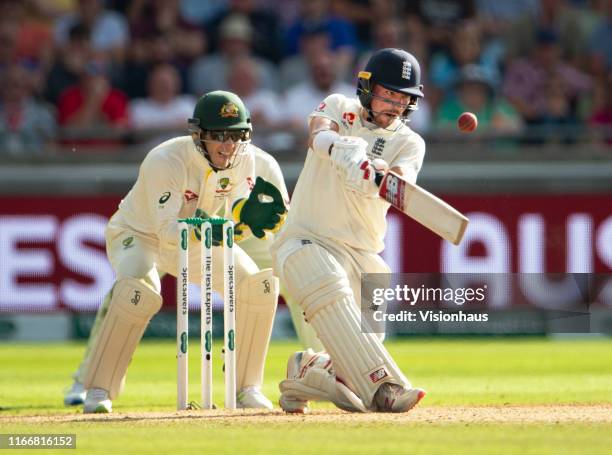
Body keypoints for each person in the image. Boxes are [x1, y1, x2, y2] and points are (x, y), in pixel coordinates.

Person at [64, 90, 287, 413]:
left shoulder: (252, 161)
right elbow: (168, 232)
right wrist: (222, 224)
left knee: (257, 286)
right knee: (137, 290)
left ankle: (246, 386)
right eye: (219, 136)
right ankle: (99, 389)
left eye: (237, 136)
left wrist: (249, 223)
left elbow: (253, 218)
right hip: (141, 235)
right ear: (199, 136)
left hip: (199, 240)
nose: (228, 146)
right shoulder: (165, 160)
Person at [270, 48, 427, 413]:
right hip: (304, 241)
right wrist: (339, 147)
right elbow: (316, 132)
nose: (395, 104)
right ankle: (387, 389)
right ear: (369, 89)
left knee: (348, 374)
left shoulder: (410, 143)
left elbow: (402, 184)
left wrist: (376, 173)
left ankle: (304, 372)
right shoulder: (340, 106)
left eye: (404, 98)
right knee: (331, 286)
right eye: (389, 94)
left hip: (365, 257)